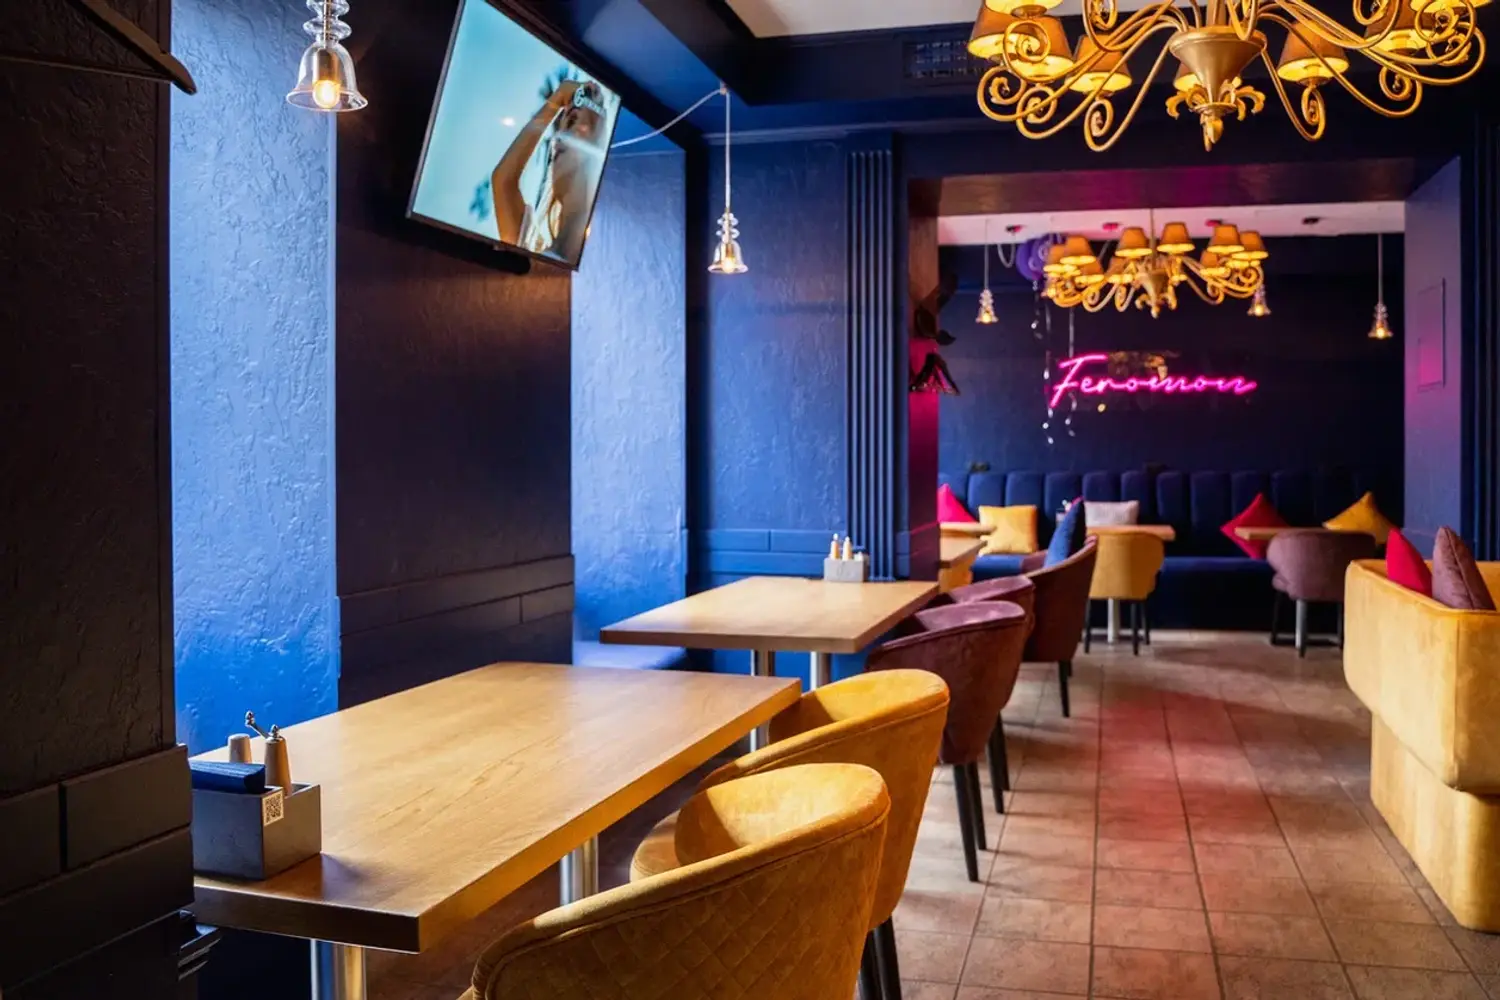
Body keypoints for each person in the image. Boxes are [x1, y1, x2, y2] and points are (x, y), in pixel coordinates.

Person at [490, 77, 609, 263]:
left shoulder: (598, 253)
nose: (559, 139)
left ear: (597, 139)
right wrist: (556, 99)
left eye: (572, 122)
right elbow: (502, 181)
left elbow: (503, 181)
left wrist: (558, 101)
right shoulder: (534, 251)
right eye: (560, 130)